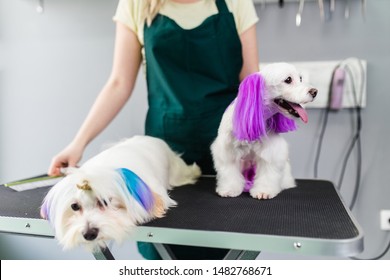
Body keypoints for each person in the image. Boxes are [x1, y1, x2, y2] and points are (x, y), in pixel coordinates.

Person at [48, 0, 259, 259]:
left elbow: (251, 82)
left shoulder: (236, 3)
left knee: (226, 249)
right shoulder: (136, 4)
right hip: (162, 154)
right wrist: (77, 144)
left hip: (228, 147)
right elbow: (118, 84)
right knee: (162, 251)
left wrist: (259, 141)